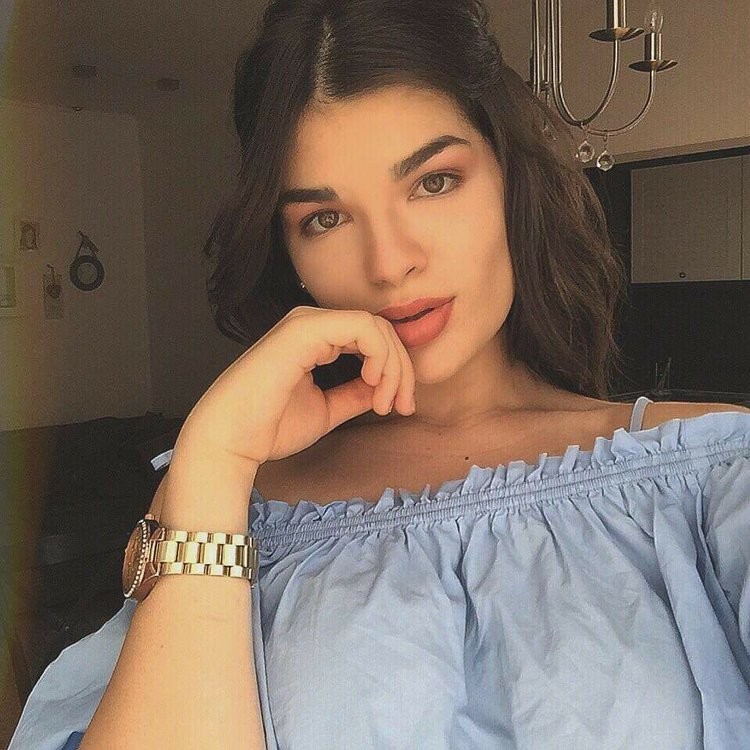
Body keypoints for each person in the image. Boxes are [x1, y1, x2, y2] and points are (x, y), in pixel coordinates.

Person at [8, 0, 750, 748]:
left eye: (434, 181)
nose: (389, 263)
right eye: (324, 219)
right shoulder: (226, 505)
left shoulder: (712, 477)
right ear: (289, 256)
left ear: (511, 182)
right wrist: (214, 456)